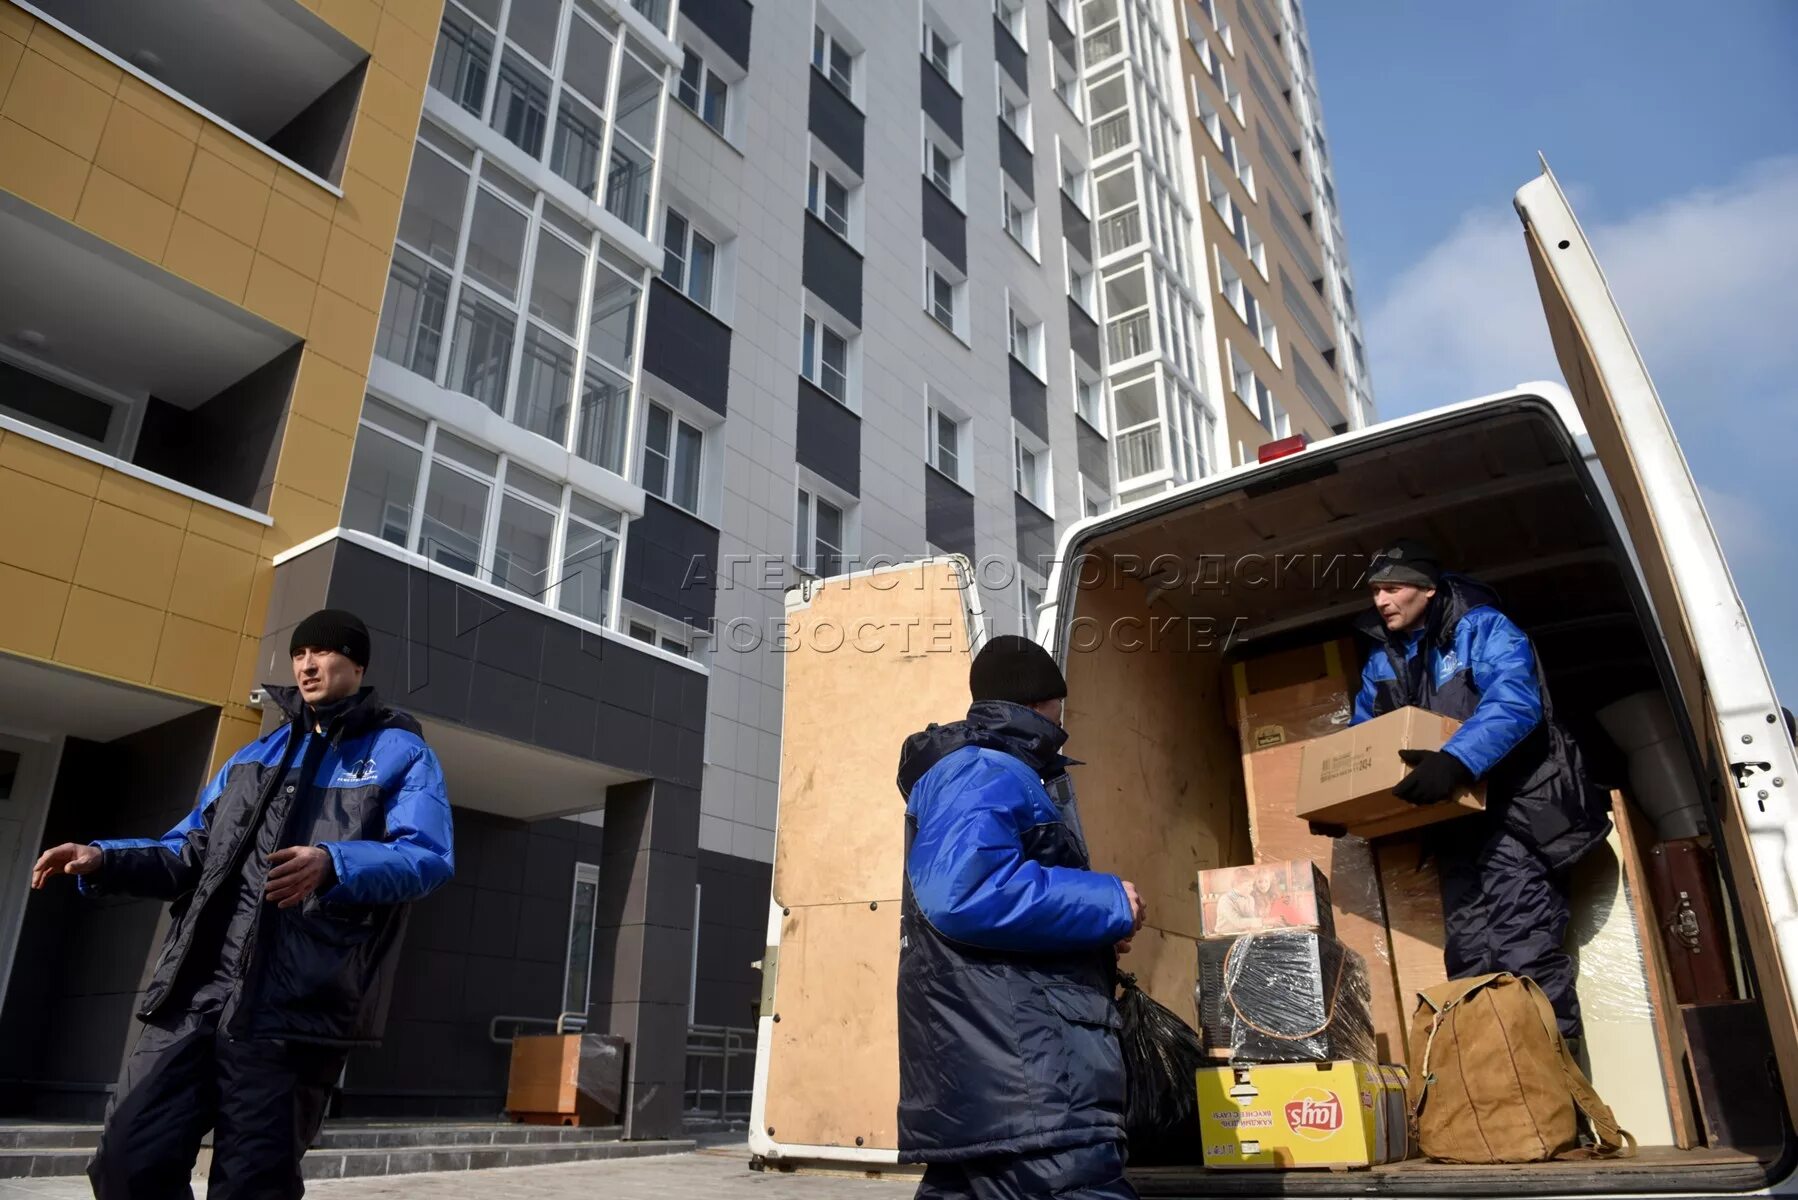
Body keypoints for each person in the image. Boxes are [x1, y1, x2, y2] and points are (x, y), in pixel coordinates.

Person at [30, 610, 455, 1200]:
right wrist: (105, 857)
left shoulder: (401, 753)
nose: (308, 664)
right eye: (300, 652)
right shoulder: (256, 755)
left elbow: (427, 857)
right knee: (126, 1161)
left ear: (357, 666)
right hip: (196, 993)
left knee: (254, 1186)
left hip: (292, 1007)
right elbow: (187, 852)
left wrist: (335, 863)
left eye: (325, 652)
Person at [895, 634, 1145, 1200]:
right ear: (1041, 702)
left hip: (998, 1075)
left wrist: (1094, 933)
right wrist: (1109, 902)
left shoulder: (984, 770)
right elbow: (965, 892)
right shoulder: (988, 769)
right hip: (1030, 1077)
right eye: (1060, 703)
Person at [1343, 540, 1610, 1043]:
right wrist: (1347, 806)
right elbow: (1365, 743)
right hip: (1455, 829)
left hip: (1518, 818)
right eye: (1376, 591)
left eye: (1392, 588)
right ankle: (1493, 1107)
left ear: (1427, 589)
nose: (1381, 601)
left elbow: (1515, 703)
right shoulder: (1384, 660)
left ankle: (1554, 1112)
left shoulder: (1483, 629)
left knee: (1524, 958)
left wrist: (1457, 759)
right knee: (1468, 963)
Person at [1212, 866, 1260, 934]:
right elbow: (1238, 922)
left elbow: (1251, 918)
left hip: (1242, 934)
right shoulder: (1225, 900)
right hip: (1223, 936)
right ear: (1237, 884)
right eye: (1249, 885)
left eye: (1252, 885)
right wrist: (1262, 921)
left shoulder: (1250, 899)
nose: (1252, 888)